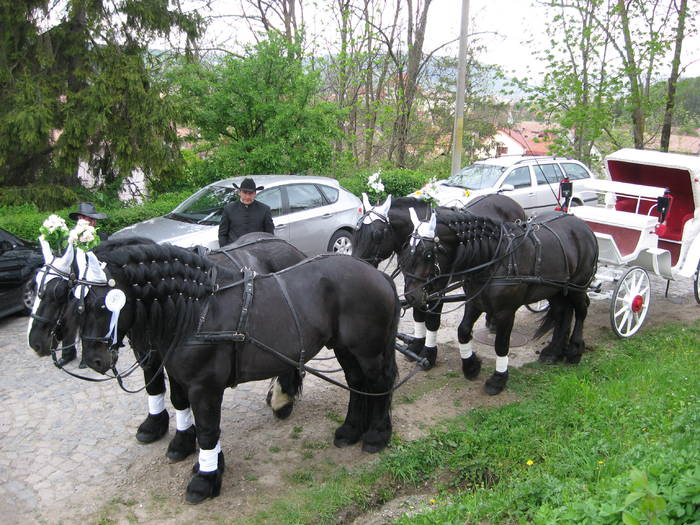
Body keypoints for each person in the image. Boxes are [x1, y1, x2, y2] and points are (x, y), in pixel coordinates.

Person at [58, 202, 108, 367]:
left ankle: (88, 355)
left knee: (89, 319)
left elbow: (104, 262)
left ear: (93, 222)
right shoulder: (69, 238)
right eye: (82, 218)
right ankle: (68, 352)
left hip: (93, 284)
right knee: (67, 319)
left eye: (87, 218)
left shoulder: (103, 237)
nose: (84, 220)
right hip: (74, 283)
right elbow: (65, 261)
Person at [218, 177, 274, 247]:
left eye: (250, 193)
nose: (247, 197)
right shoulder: (228, 209)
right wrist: (225, 251)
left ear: (255, 194)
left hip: (257, 251)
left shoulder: (265, 209)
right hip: (234, 252)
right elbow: (222, 234)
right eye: (245, 193)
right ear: (239, 192)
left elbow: (269, 235)